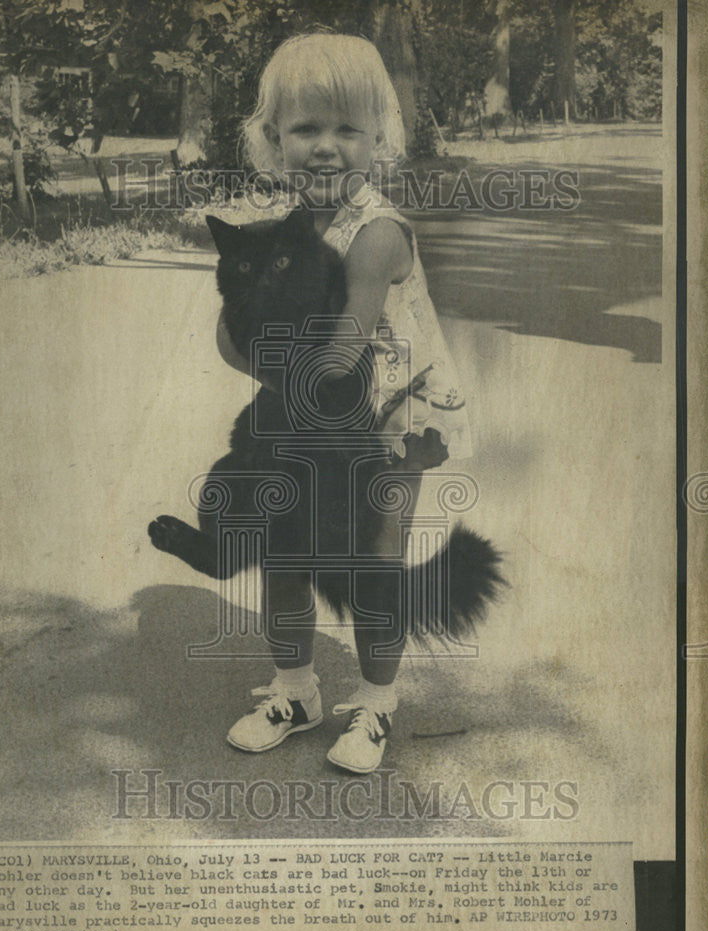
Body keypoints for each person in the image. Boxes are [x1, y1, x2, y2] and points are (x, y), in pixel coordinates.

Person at [220, 33, 473, 773]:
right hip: (307, 416)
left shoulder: (377, 234)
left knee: (372, 559)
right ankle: (295, 691)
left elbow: (342, 351)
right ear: (274, 138)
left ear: (378, 138)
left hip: (391, 419)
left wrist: (262, 354)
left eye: (346, 130)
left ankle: (375, 702)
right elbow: (231, 336)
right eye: (305, 129)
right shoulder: (280, 227)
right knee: (286, 550)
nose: (325, 148)